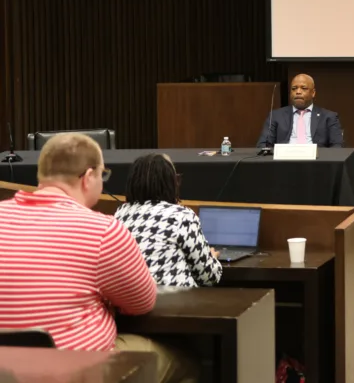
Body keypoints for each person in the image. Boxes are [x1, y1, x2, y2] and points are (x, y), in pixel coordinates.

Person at [0, 133, 196, 382]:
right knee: (187, 361)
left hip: (5, 372)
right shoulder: (103, 230)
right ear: (89, 176)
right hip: (77, 372)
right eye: (103, 175)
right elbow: (142, 303)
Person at [115, 153, 222, 288]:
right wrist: (211, 259)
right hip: (173, 304)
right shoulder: (182, 216)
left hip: (130, 303)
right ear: (170, 184)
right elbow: (209, 277)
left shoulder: (120, 214)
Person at [257, 73, 344, 148]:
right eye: (294, 88)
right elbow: (263, 144)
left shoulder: (328, 116)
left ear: (313, 93)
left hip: (316, 162)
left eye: (304, 88)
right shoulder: (276, 115)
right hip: (284, 162)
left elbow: (337, 145)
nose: (298, 92)